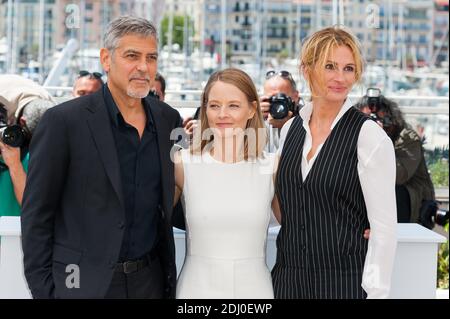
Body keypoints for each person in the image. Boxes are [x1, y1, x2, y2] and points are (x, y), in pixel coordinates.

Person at [21, 16, 181, 299]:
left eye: (151, 57)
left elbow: (170, 200)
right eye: (132, 56)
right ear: (106, 59)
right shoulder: (63, 122)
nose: (143, 67)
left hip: (151, 283)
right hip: (81, 285)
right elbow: (37, 215)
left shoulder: (168, 119)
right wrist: (46, 292)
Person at [272, 26, 397, 299]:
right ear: (307, 70)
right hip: (287, 282)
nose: (340, 78)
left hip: (343, 285)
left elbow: (384, 232)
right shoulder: (290, 129)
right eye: (330, 66)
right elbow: (286, 207)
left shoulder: (369, 136)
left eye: (349, 68)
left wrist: (375, 294)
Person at [173, 68, 277, 298]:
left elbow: (302, 226)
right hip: (196, 292)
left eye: (233, 105)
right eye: (214, 105)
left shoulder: (271, 167)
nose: (222, 114)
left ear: (251, 109)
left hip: (254, 293)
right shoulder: (182, 165)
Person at [355, 94, 435, 224]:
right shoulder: (357, 137)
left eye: (376, 119)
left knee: (390, 191)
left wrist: (378, 139)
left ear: (389, 117)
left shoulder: (407, 138)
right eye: (366, 119)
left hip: (412, 200)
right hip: (379, 197)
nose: (371, 124)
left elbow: (398, 176)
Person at [0, 76, 55, 217]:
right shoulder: (6, 98)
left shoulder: (50, 108)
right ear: (21, 122)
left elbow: (33, 206)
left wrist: (14, 164)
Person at [260, 70, 300, 152]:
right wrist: (255, 117)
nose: (278, 105)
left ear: (295, 97)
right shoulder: (256, 121)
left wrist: (290, 127)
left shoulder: (307, 119)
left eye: (282, 98)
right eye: (272, 99)